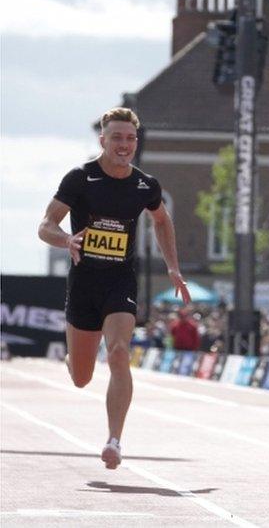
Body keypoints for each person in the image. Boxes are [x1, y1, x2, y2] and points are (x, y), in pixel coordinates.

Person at [37, 107, 191, 470]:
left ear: (136, 143)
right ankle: (74, 358)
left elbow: (162, 220)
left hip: (120, 281)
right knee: (81, 378)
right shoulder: (79, 179)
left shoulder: (145, 185)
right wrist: (66, 241)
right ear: (102, 140)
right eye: (117, 137)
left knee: (120, 352)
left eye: (130, 138)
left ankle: (114, 440)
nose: (124, 145)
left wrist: (172, 266)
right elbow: (45, 225)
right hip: (84, 282)